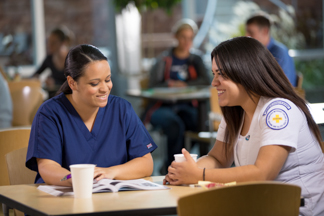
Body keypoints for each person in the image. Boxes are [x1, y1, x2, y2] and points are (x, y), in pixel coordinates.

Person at [164, 37, 324, 216]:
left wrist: (198, 174)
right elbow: (218, 158)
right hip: (261, 204)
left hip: (295, 210)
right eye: (214, 74)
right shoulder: (236, 111)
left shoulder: (279, 111)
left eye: (221, 74)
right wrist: (185, 171)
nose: (214, 82)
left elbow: (262, 174)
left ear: (245, 72)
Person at [26, 44, 157, 186]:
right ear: (72, 83)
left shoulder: (121, 109)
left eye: (107, 80)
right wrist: (78, 179)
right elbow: (47, 168)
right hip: (64, 203)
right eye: (94, 83)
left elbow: (146, 163)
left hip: (113, 201)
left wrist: (110, 172)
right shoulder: (50, 114)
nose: (105, 88)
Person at [145, 19, 210, 174]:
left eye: (190, 38)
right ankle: (171, 167)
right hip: (162, 106)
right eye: (183, 37)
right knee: (175, 125)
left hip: (187, 105)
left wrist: (186, 84)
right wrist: (170, 84)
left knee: (200, 124)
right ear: (175, 37)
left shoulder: (196, 59)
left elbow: (206, 80)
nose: (187, 42)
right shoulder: (163, 59)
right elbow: (152, 85)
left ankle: (194, 167)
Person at [245, 13, 297, 87]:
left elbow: (279, 86)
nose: (246, 36)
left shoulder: (279, 53)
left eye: (251, 33)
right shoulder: (257, 52)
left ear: (265, 31)